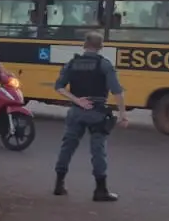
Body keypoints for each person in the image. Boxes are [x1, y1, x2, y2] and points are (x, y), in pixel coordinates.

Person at [53, 30, 128, 201]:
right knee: (98, 151)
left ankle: (59, 184)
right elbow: (117, 92)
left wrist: (77, 100)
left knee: (67, 147)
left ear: (85, 45)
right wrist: (123, 114)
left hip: (76, 112)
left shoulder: (72, 63)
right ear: (101, 47)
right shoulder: (105, 65)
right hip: (96, 112)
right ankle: (100, 190)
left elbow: (59, 87)